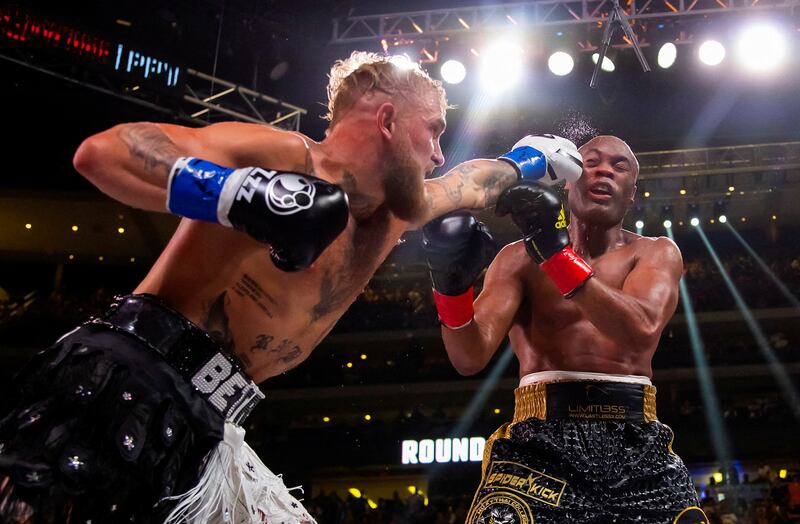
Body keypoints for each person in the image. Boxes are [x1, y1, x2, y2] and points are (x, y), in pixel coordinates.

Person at [0, 51, 580, 524]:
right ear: (387, 122)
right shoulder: (285, 159)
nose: (436, 154)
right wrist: (239, 195)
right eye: (432, 132)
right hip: (132, 375)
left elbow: (471, 183)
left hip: (215, 423)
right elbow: (104, 153)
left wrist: (531, 161)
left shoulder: (402, 209)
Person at [423, 135, 709, 523]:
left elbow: (639, 329)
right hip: (538, 447)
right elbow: (468, 357)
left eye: (619, 166)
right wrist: (450, 288)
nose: (604, 169)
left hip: (636, 444)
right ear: (569, 180)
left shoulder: (656, 252)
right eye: (591, 161)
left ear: (631, 195)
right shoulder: (517, 259)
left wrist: (556, 256)